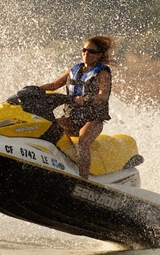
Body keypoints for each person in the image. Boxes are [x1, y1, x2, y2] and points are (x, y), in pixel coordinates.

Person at [37, 36, 114, 180]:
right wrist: (35, 90)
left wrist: (86, 99)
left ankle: (83, 180)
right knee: (47, 128)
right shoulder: (74, 69)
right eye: (84, 50)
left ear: (99, 55)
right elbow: (54, 85)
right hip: (71, 118)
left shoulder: (102, 73)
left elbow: (103, 96)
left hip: (92, 119)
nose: (86, 54)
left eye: (91, 51)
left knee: (83, 141)